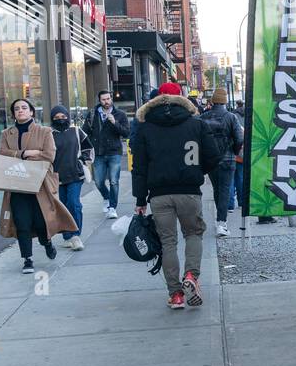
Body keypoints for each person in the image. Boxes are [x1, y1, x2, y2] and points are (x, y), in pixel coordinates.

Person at [130, 81, 222, 309]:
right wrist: (197, 170)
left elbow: (139, 167)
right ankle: (191, 275)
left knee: (167, 241)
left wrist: (140, 200)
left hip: (159, 194)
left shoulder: (145, 127)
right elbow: (214, 156)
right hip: (189, 191)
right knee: (193, 234)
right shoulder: (195, 124)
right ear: (182, 98)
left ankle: (176, 294)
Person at [0, 99, 76, 274]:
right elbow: (2, 154)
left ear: (32, 112)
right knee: (22, 223)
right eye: (16, 109)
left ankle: (46, 242)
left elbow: (49, 156)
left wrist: (20, 158)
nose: (20, 111)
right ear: (13, 114)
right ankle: (27, 259)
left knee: (41, 221)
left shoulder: (44, 131)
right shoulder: (6, 134)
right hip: (16, 185)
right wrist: (24, 153)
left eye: (24, 108)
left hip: (40, 185)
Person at [199, 89, 244, 236]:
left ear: (212, 100)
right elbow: (239, 139)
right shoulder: (231, 117)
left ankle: (220, 219)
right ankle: (221, 223)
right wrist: (234, 152)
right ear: (225, 101)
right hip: (228, 159)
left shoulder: (203, 117)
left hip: (210, 161)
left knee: (217, 189)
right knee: (225, 189)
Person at [49, 105, 92, 250]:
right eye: (56, 117)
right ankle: (67, 236)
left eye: (63, 116)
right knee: (63, 207)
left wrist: (83, 160)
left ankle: (75, 235)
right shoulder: (49, 134)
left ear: (68, 116)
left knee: (74, 203)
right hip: (57, 177)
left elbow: (88, 147)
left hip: (75, 174)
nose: (60, 119)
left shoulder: (76, 131)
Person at [82, 90, 130, 220]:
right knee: (98, 182)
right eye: (103, 99)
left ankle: (112, 207)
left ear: (111, 99)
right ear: (100, 100)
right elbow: (84, 133)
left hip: (114, 152)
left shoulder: (120, 114)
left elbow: (126, 133)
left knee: (114, 181)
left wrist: (115, 123)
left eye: (108, 99)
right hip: (98, 153)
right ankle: (107, 197)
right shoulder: (92, 115)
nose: (106, 101)